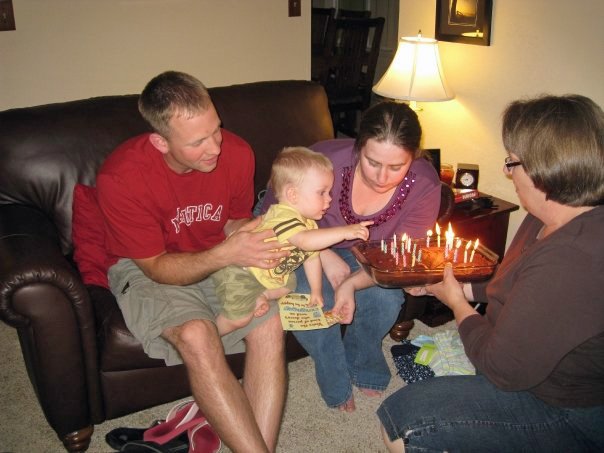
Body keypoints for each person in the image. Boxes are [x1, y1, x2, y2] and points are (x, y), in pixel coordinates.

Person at [378, 94, 604, 452]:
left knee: (402, 425)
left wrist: (458, 305)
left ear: (546, 168)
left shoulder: (573, 259)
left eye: (512, 161)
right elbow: (515, 283)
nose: (507, 172)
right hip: (527, 376)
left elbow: (501, 369)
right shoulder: (547, 217)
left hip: (565, 408)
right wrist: (447, 287)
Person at [96, 71, 289, 452]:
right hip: (147, 265)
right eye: (198, 141)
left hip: (218, 252)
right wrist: (226, 253)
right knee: (196, 334)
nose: (215, 147)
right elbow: (157, 267)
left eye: (216, 129)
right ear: (160, 141)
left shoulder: (237, 152)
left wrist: (260, 232)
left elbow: (231, 220)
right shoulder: (120, 178)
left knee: (270, 323)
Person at [260, 101, 442, 411]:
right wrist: (322, 251)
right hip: (296, 239)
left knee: (386, 300)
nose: (382, 176)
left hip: (371, 256)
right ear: (358, 148)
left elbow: (396, 259)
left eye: (396, 166)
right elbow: (273, 219)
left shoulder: (424, 185)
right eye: (373, 162)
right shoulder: (326, 160)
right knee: (308, 299)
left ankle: (363, 360)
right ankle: (333, 377)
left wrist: (350, 284)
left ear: (413, 156)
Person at [211, 146, 372, 335]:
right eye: (322, 192)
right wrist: (344, 232)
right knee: (240, 318)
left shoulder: (308, 223)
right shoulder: (283, 216)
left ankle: (261, 295)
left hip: (268, 276)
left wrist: (316, 291)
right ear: (293, 195)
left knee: (290, 284)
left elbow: (311, 258)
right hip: (242, 271)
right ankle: (211, 335)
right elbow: (305, 242)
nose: (329, 199)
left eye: (329, 192)